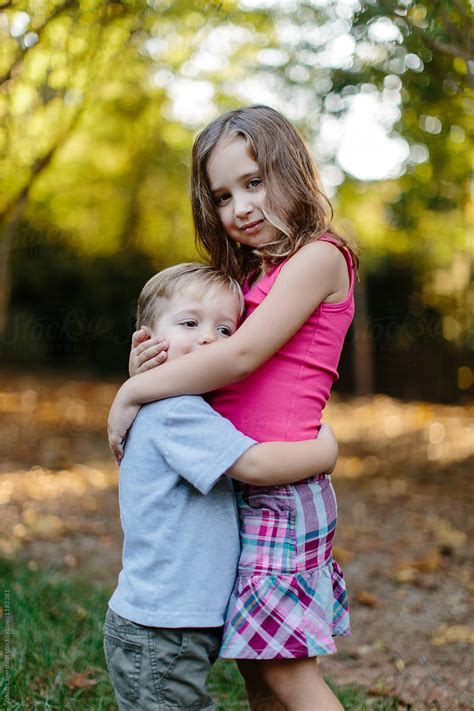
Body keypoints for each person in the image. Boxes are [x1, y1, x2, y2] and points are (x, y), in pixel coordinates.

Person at [108, 105, 357, 711]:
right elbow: (210, 357)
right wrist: (153, 367)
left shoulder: (320, 257)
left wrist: (132, 393)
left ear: (292, 171)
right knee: (257, 665)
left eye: (254, 182)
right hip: (244, 478)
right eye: (222, 196)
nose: (240, 207)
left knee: (288, 674)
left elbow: (241, 355)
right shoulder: (252, 278)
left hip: (280, 484)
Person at [104, 262, 340, 711]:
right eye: (190, 323)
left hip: (174, 623)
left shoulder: (185, 405)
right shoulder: (176, 412)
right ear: (146, 341)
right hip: (159, 629)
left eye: (227, 329)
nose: (210, 338)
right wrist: (325, 453)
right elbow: (254, 464)